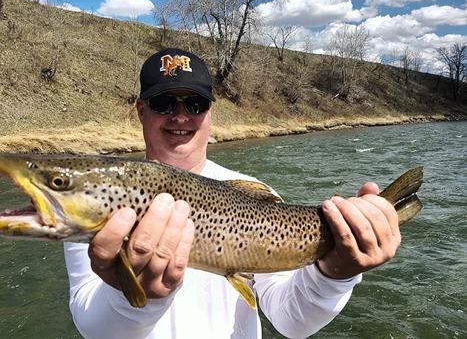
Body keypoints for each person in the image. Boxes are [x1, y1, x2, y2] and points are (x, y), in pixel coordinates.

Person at [64, 48, 401, 338]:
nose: (180, 115)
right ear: (141, 110)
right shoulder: (103, 199)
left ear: (210, 112)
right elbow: (91, 325)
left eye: (195, 104)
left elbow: (292, 321)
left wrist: (336, 273)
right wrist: (132, 297)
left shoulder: (258, 195)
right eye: (164, 102)